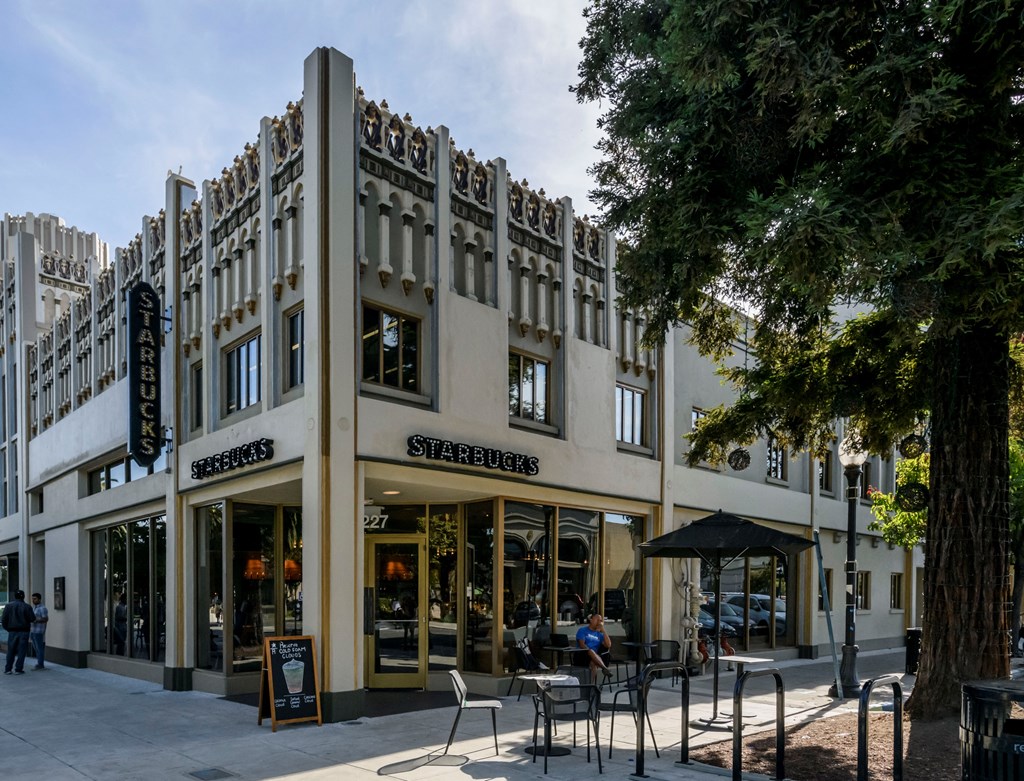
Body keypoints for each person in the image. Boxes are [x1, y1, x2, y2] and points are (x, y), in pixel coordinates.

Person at [2, 590, 35, 674]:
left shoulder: (8, 606)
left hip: (12, 631)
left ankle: (8, 669)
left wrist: (8, 629)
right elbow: (32, 618)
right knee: (21, 651)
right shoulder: (27, 607)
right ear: (23, 596)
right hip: (24, 631)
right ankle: (18, 669)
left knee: (11, 651)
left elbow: (4, 620)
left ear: (15, 596)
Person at [575, 612, 613, 681]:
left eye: (600, 621)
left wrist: (603, 630)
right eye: (597, 620)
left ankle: (590, 688)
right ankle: (604, 668)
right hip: (582, 655)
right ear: (591, 620)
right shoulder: (582, 630)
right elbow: (582, 645)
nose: (599, 622)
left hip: (595, 658)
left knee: (593, 663)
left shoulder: (599, 634)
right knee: (591, 651)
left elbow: (608, 645)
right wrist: (590, 652)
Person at [30, 592, 48, 669]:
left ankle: (41, 664)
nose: (33, 600)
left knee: (39, 648)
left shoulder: (42, 608)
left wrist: (35, 620)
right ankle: (39, 663)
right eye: (32, 599)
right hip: (33, 630)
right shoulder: (34, 608)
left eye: (35, 599)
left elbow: (45, 619)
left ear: (39, 599)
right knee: (36, 648)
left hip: (39, 631)